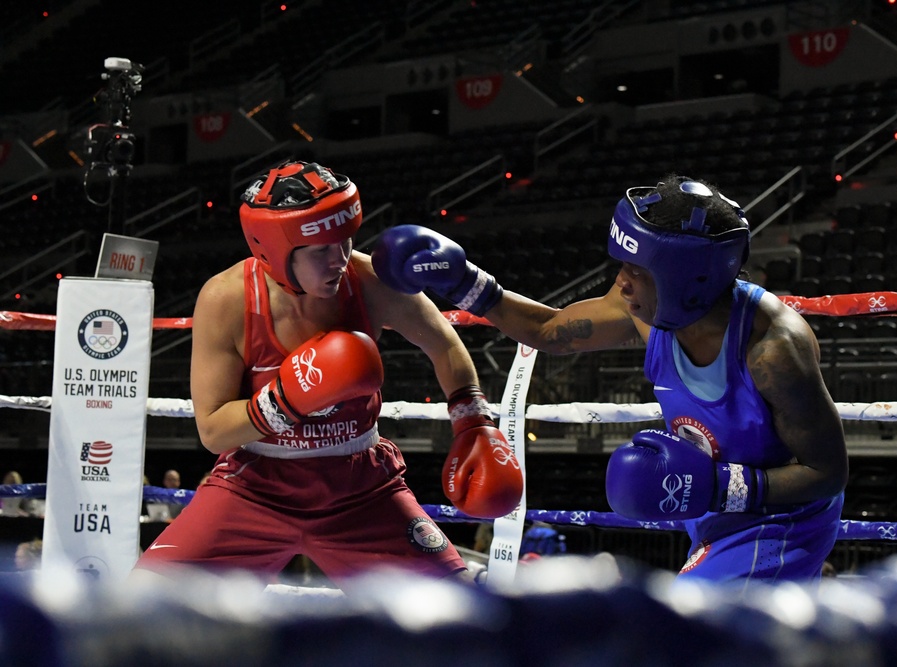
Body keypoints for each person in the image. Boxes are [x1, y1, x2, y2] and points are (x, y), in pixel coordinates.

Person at [371, 174, 848, 583]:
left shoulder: (774, 351)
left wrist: (723, 487)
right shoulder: (643, 308)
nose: (620, 282)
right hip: (713, 513)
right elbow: (547, 332)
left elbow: (828, 473)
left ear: (684, 278)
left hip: (779, 524)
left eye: (634, 271)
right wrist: (463, 283)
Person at [132, 160, 522, 586]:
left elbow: (444, 343)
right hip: (255, 490)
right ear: (274, 251)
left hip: (363, 489)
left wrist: (473, 420)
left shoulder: (368, 278)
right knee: (141, 603)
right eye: (321, 250)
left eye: (345, 240)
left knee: (457, 610)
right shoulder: (226, 300)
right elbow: (212, 431)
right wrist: (286, 400)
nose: (339, 258)